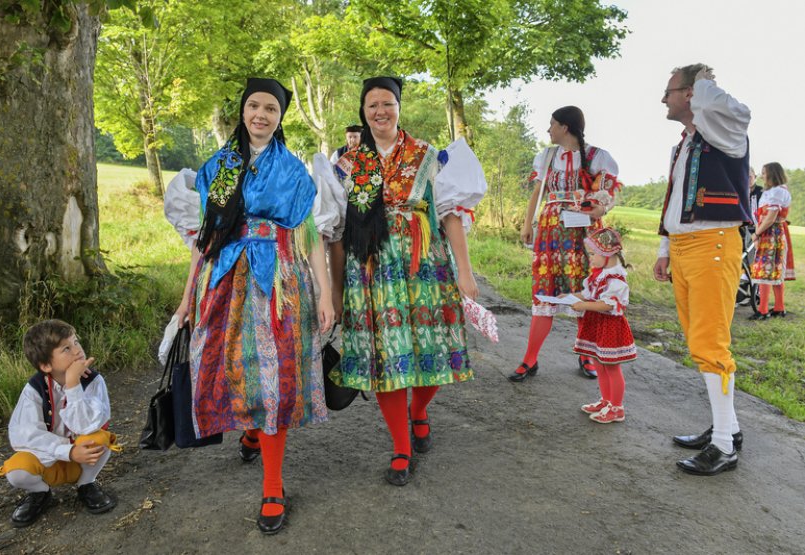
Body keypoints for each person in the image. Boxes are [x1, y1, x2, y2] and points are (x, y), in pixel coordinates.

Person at [174, 77, 334, 534]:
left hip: (277, 281)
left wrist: (324, 293)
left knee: (274, 380)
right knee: (229, 367)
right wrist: (188, 296)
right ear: (242, 112)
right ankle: (250, 430)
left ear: (280, 118)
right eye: (254, 106)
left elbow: (312, 238)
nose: (261, 115)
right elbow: (204, 238)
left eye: (271, 109)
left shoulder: (294, 171)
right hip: (223, 279)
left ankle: (272, 485)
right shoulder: (220, 167)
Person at [327, 76, 479, 486]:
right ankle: (400, 446)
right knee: (384, 360)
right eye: (372, 104)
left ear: (399, 107)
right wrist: (337, 291)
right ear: (363, 111)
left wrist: (465, 272)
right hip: (371, 270)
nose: (380, 111)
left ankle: (419, 409)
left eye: (387, 103)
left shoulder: (428, 155)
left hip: (423, 265)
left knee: (436, 347)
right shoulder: (346, 163)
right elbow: (337, 234)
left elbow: (449, 214)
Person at [653, 64, 751, 475]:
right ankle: (727, 428)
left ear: (691, 94)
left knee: (710, 344)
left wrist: (704, 82)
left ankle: (725, 446)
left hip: (712, 245)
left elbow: (739, 111)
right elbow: (674, 197)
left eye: (670, 91)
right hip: (685, 247)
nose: (664, 99)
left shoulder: (726, 133)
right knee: (700, 341)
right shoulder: (685, 145)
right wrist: (663, 247)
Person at [512, 106, 621, 382]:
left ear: (565, 128)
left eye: (552, 125)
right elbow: (538, 193)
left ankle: (586, 354)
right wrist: (528, 224)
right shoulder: (547, 156)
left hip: (583, 234)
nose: (548, 130)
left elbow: (608, 192)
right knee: (544, 290)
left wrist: (599, 209)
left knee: (584, 290)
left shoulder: (598, 156)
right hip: (551, 234)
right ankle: (530, 358)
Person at [0, 319, 118, 527]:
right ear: (46, 365)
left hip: (83, 460)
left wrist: (73, 386)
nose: (77, 350)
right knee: (16, 470)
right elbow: (25, 435)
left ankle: (86, 483)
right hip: (49, 460)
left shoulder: (93, 381)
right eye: (66, 348)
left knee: (99, 438)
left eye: (76, 342)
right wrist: (68, 451)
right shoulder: (34, 389)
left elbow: (88, 426)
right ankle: (40, 493)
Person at [571, 228, 636, 424]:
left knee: (611, 366)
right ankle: (606, 400)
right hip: (598, 325)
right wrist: (570, 297)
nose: (589, 258)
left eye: (592, 254)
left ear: (607, 255)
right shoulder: (599, 275)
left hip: (609, 327)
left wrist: (583, 305)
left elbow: (608, 304)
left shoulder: (615, 279)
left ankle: (617, 407)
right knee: (599, 363)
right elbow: (590, 294)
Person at [748, 162, 795, 320]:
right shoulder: (779, 190)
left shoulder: (776, 191)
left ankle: (762, 310)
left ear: (772, 174)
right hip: (773, 232)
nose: (762, 175)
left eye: (764, 172)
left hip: (770, 233)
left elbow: (770, 218)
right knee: (774, 270)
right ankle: (779, 307)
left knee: (765, 270)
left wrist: (757, 233)